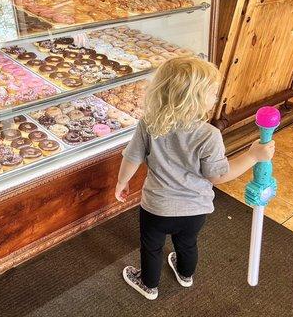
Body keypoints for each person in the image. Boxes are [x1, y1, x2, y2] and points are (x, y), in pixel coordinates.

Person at [115, 56, 275, 300]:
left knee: (151, 247)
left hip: (156, 208)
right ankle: (185, 274)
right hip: (195, 210)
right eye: (212, 92)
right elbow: (219, 175)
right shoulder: (209, 135)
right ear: (197, 99)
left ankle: (149, 284)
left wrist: (121, 182)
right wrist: (253, 156)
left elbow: (132, 158)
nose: (216, 96)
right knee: (187, 244)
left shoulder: (148, 124)